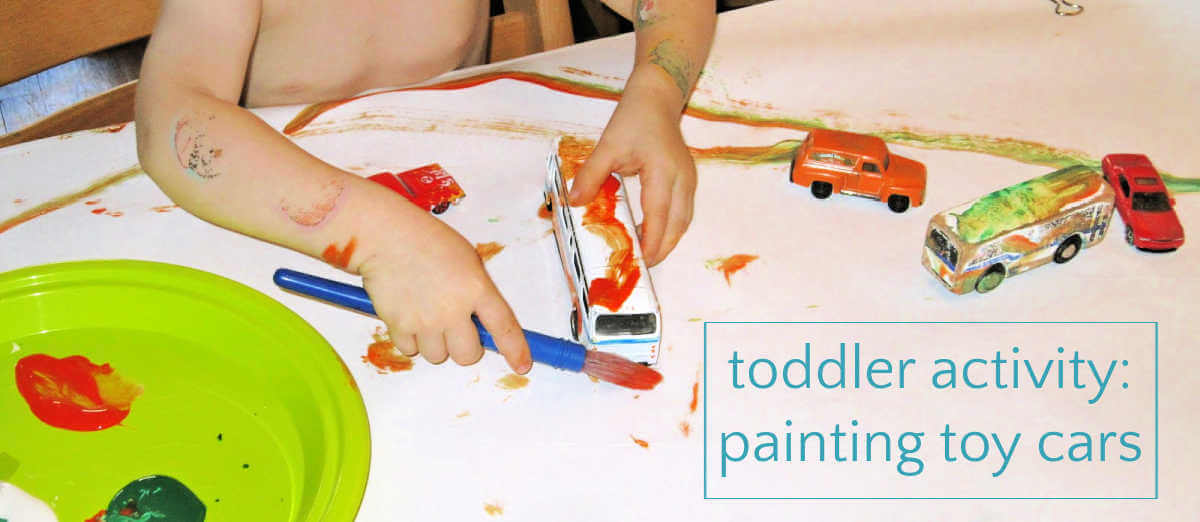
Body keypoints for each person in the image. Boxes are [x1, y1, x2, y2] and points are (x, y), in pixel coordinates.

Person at [135, 0, 716, 374]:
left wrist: (656, 93)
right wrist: (380, 239)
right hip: (287, 220)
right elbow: (171, 119)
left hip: (478, 210)